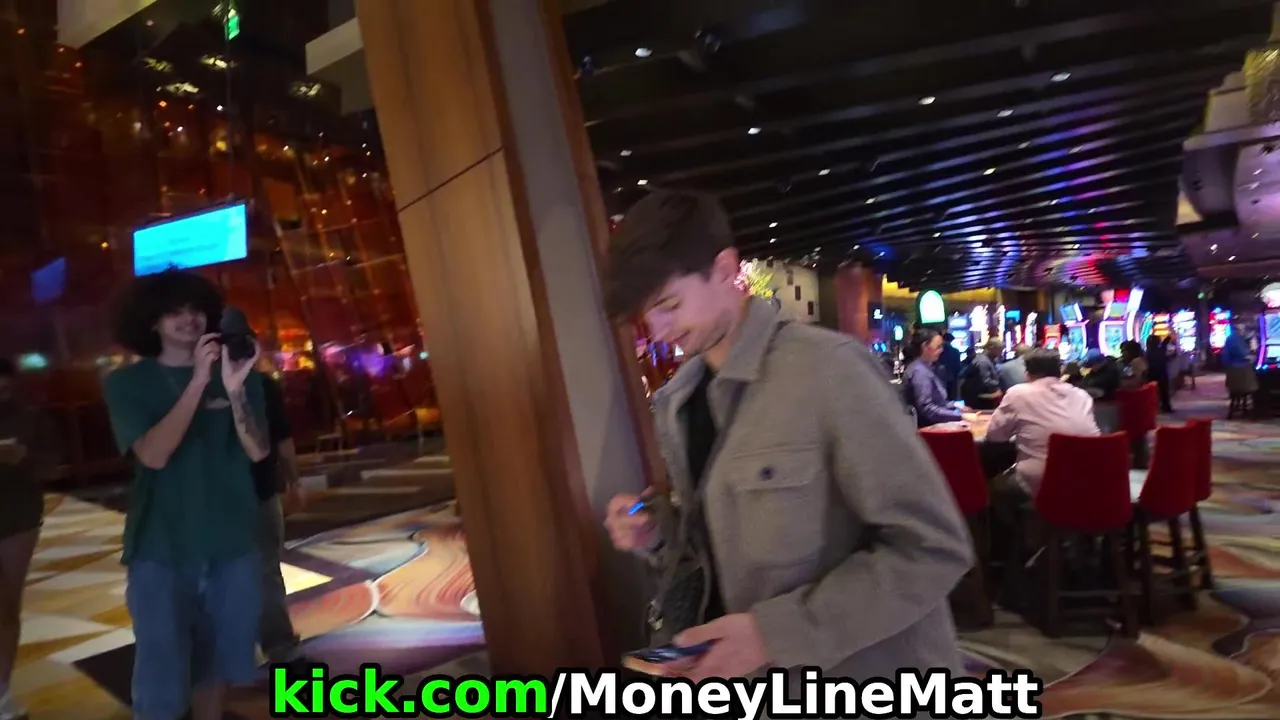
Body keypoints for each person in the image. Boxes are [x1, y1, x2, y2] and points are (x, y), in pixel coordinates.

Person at [599, 190, 973, 693]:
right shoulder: (678, 400)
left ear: (725, 269)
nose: (658, 331)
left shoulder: (828, 370)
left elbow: (933, 548)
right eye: (645, 316)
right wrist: (657, 532)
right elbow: (710, 551)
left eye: (669, 305)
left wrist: (772, 635)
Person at [103, 269, 269, 720]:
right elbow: (154, 455)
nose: (189, 319)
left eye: (196, 309)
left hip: (232, 541)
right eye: (174, 311)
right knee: (161, 668)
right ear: (151, 321)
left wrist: (234, 390)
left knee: (219, 663)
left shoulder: (239, 373)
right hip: (161, 546)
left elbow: (258, 450)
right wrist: (198, 381)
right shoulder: (127, 383)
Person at [0, 359, 55, 720]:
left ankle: (2, 691)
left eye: (5, 388)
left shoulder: (30, 418)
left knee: (7, 606)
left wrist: (23, 457)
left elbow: (51, 462)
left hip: (18, 516)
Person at [984, 348, 1102, 509]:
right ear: (1060, 371)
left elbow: (995, 436)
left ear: (1027, 373)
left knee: (994, 486)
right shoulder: (1082, 395)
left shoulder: (1018, 393)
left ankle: (1023, 525)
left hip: (1043, 481)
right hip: (1088, 478)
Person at [254, 369, 305, 665]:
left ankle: (278, 645)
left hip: (258, 489)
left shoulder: (262, 385)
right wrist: (293, 481)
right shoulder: (193, 382)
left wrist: (293, 480)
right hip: (247, 490)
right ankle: (279, 647)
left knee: (264, 570)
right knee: (264, 570)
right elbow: (283, 438)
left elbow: (282, 436)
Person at [903, 329, 977, 427]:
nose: (941, 350)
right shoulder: (919, 371)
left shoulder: (926, 367)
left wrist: (955, 405)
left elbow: (938, 402)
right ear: (925, 346)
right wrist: (960, 416)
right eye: (938, 347)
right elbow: (927, 409)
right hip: (926, 429)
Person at [960, 339, 1004, 410]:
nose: (1001, 353)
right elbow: (986, 381)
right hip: (977, 397)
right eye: (1000, 350)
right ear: (992, 348)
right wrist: (1002, 385)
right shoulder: (983, 361)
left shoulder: (988, 359)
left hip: (981, 394)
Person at [1145, 335, 1173, 413]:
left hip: (1152, 374)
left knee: (1155, 392)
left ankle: (1157, 407)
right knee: (1163, 391)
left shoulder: (1148, 352)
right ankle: (1165, 407)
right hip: (1160, 373)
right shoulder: (1158, 350)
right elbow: (1164, 349)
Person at [937, 333, 963, 399]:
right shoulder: (955, 351)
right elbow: (958, 367)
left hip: (940, 379)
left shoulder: (939, 351)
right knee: (952, 398)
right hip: (952, 379)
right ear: (951, 340)